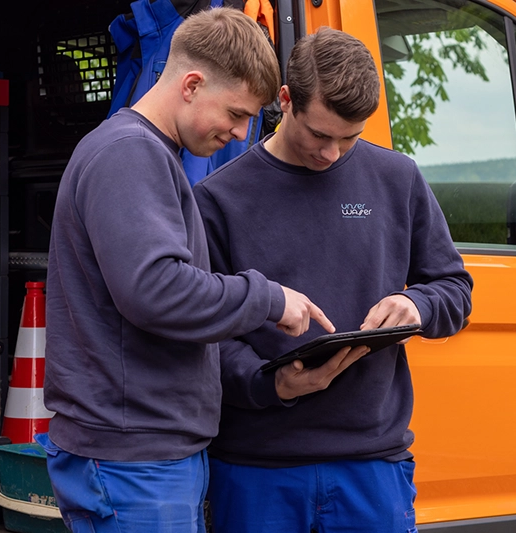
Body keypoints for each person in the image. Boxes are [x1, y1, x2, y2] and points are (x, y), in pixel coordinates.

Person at [37, 8, 335, 533]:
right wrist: (268, 299)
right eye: (237, 113)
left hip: (142, 457)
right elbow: (156, 290)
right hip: (134, 464)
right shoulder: (131, 155)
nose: (243, 133)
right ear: (192, 84)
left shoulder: (144, 153)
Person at [193, 27, 473, 532]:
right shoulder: (218, 199)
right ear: (285, 101)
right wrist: (270, 383)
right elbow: (201, 334)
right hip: (257, 467)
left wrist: (419, 308)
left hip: (372, 465)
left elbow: (454, 289)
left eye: (350, 137)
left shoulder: (398, 178)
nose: (332, 155)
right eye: (320, 135)